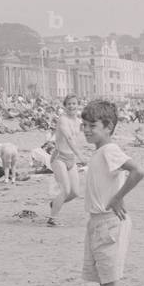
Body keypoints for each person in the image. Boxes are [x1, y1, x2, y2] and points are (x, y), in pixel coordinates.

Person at [77, 99, 144, 286]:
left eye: (92, 125)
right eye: (84, 125)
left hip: (109, 222)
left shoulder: (109, 150)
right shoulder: (99, 152)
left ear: (108, 127)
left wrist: (118, 198)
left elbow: (138, 171)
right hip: (97, 222)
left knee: (111, 282)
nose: (86, 130)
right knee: (105, 282)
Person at [47, 94, 87, 227]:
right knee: (65, 190)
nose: (71, 106)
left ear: (78, 105)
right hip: (59, 157)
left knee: (75, 192)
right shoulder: (63, 119)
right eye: (69, 104)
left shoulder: (78, 121)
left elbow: (80, 137)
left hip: (71, 158)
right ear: (65, 106)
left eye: (74, 103)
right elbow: (69, 138)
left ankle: (55, 204)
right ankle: (52, 219)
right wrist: (81, 156)